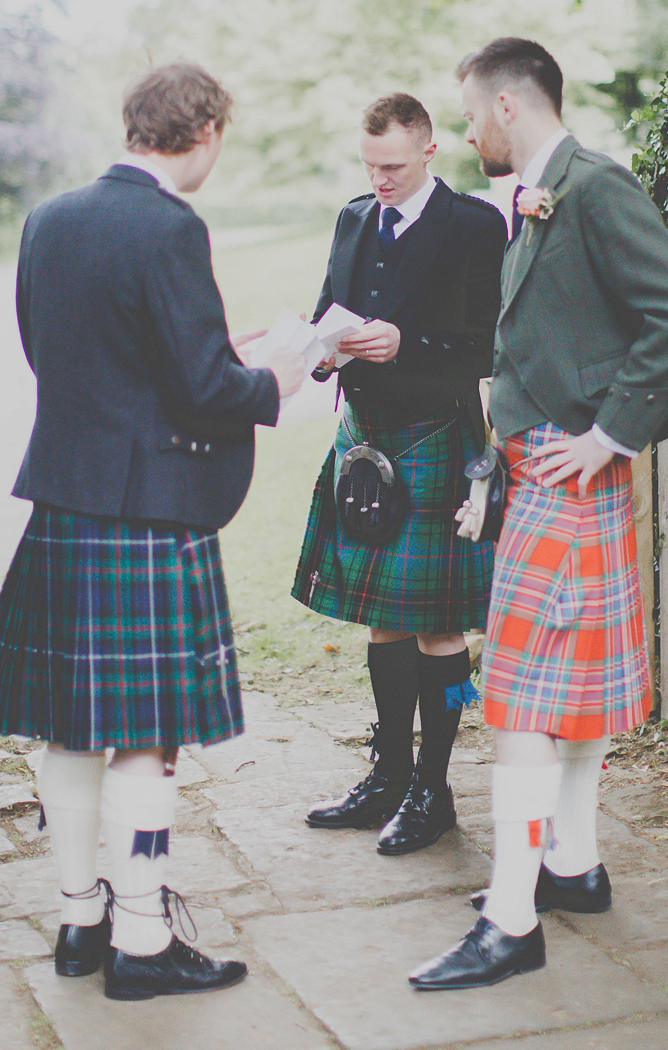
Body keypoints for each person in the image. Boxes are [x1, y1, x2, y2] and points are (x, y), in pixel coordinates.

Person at [0, 63, 305, 1001]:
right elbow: (203, 386)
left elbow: (63, 352)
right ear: (202, 131)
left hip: (67, 499)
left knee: (71, 733)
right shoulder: (168, 225)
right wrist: (280, 372)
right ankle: (144, 942)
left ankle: (79, 923)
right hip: (147, 512)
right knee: (148, 738)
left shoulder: (50, 218)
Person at [409, 38, 668, 990]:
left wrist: (613, 435)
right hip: (537, 473)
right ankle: (572, 865)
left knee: (522, 705)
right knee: (564, 694)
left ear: (508, 106)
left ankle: (511, 921)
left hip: (570, 476)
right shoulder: (543, 194)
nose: (463, 132)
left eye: (468, 114)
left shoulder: (594, 186)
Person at [294, 93, 507, 854]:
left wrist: (404, 342)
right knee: (385, 616)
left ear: (427, 151)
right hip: (366, 438)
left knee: (438, 622)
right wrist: (317, 350)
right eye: (369, 164)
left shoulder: (476, 227)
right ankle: (387, 774)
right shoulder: (355, 218)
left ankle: (435, 789)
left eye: (391, 165)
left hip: (436, 435)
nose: (379, 179)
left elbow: (489, 344)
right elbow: (328, 309)